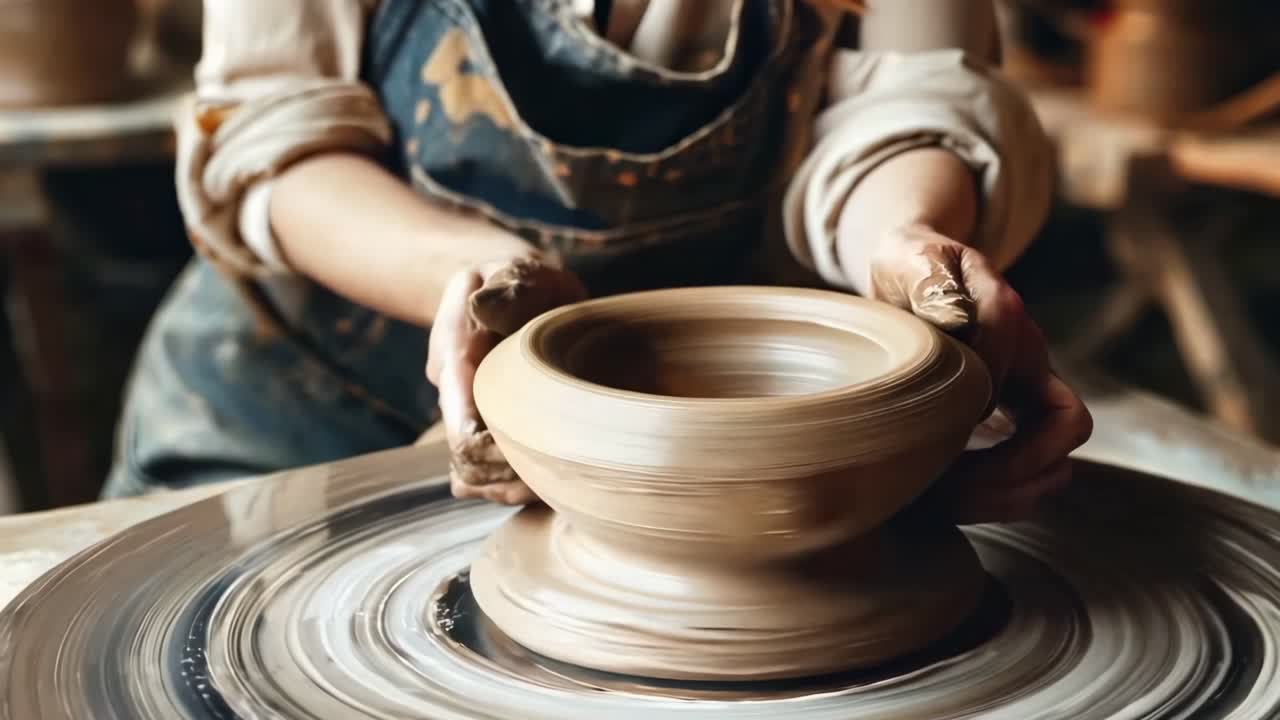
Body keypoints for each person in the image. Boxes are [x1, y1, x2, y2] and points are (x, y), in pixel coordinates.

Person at [104, 0, 1093, 524]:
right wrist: (482, 276)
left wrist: (905, 242)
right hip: (296, 405)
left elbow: (908, 93)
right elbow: (276, 129)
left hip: (694, 452)